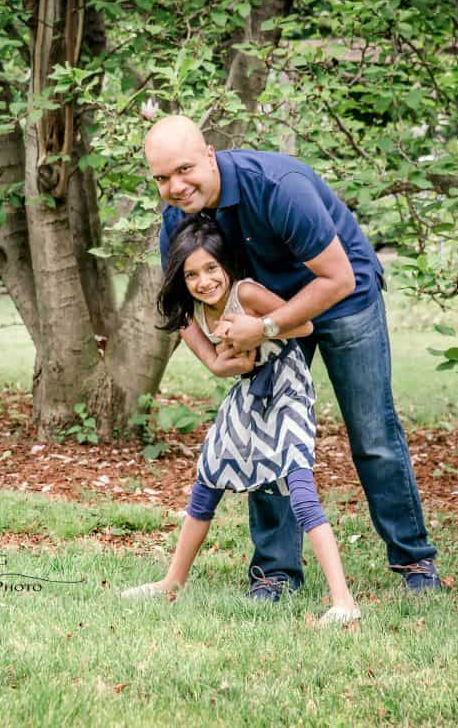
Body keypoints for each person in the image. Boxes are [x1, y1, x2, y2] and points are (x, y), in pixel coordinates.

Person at [144, 115, 442, 599]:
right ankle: (275, 573)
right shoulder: (178, 219)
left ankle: (415, 563)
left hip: (343, 299)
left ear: (210, 155)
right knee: (264, 431)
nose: (175, 187)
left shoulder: (279, 187)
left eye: (183, 170)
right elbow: (179, 305)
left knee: (371, 433)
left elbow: (338, 280)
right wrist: (212, 359)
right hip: (266, 310)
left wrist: (263, 327)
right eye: (161, 178)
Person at [121, 217, 360, 625]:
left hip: (286, 387)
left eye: (211, 268)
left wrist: (259, 329)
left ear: (227, 265)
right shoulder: (188, 312)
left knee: (298, 485)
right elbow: (216, 364)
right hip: (247, 391)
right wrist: (229, 360)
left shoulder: (245, 292)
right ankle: (172, 582)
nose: (203, 281)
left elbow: (303, 325)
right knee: (208, 478)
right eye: (191, 274)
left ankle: (343, 601)